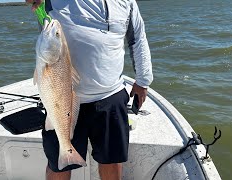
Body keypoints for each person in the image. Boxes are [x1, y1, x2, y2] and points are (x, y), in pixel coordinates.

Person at [26, 0, 153, 179]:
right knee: (57, 166)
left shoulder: (127, 2)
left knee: (112, 160)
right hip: (61, 99)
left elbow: (137, 39)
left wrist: (143, 80)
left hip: (110, 96)